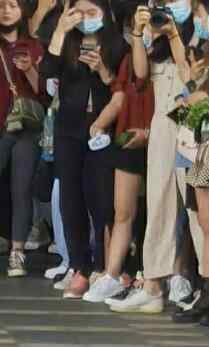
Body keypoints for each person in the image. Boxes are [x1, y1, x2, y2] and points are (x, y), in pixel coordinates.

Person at [108, 0, 204, 314]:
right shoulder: (155, 33)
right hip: (163, 120)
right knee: (159, 199)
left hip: (194, 119)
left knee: (196, 207)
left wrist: (175, 34)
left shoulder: (200, 28)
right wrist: (138, 33)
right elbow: (140, 75)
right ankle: (152, 283)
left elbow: (192, 76)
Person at [39, 0, 125, 298]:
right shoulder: (67, 40)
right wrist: (61, 30)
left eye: (92, 13)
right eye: (80, 13)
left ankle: (104, 265)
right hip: (68, 128)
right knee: (70, 198)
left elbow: (120, 88)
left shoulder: (116, 44)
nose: (86, 19)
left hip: (102, 128)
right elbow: (46, 72)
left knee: (101, 199)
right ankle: (78, 266)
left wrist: (102, 69)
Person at [81, 2, 154, 303]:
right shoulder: (126, 58)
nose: (138, 30)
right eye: (134, 26)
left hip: (158, 140)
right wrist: (99, 123)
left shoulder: (169, 56)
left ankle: (155, 280)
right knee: (122, 211)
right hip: (128, 140)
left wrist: (150, 134)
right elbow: (120, 95)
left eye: (144, 24)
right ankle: (111, 274)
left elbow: (143, 76)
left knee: (160, 216)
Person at [0, 0, 45, 278]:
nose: (6, 10)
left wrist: (29, 68)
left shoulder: (36, 46)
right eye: (1, 5)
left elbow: (46, 92)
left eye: (13, 5)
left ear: (23, 11)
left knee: (22, 190)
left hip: (27, 129)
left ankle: (18, 252)